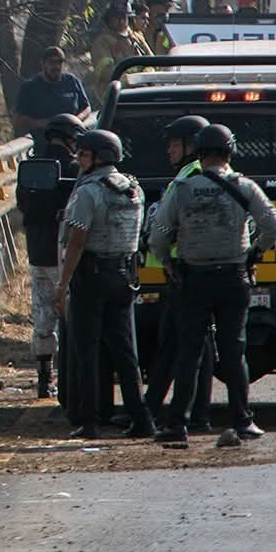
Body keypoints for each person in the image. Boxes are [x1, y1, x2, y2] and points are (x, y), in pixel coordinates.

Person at [146, 123, 276, 445]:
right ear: (229, 152)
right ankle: (243, 420)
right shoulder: (244, 187)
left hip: (193, 278)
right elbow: (272, 225)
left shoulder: (182, 188)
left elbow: (158, 235)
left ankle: (178, 423)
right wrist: (255, 253)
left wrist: (167, 262)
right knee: (234, 351)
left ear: (199, 153)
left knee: (189, 352)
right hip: (234, 278)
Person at [55, 128, 155, 440]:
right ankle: (141, 418)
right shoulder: (132, 189)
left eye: (84, 154)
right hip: (123, 274)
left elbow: (77, 240)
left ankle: (90, 420)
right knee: (124, 350)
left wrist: (62, 284)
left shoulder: (89, 192)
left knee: (87, 349)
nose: (79, 160)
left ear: (99, 158)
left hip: (92, 274)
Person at [141, 115, 215, 430]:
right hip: (180, 273)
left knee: (193, 346)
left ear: (191, 146)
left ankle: (193, 415)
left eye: (175, 143)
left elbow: (167, 226)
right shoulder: (186, 174)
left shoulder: (191, 177)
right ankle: (151, 408)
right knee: (175, 343)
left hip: (185, 271)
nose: (169, 149)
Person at [17, 113, 83, 399]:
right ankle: (73, 374)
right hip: (66, 255)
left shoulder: (30, 168)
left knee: (43, 317)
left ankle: (45, 379)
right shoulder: (76, 169)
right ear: (71, 138)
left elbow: (22, 205)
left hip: (38, 252)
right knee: (71, 315)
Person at [11, 47, 92, 135]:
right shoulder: (30, 88)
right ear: (43, 64)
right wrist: (42, 123)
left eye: (59, 62)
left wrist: (76, 120)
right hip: (45, 141)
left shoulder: (72, 81)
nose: (56, 66)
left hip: (72, 137)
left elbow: (86, 108)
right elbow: (17, 120)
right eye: (51, 62)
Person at [89, 0, 149, 85]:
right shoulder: (102, 42)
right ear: (109, 19)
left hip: (141, 88)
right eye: (116, 17)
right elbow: (106, 72)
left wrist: (148, 73)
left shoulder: (136, 38)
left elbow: (152, 61)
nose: (120, 21)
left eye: (123, 17)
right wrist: (131, 79)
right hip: (116, 93)